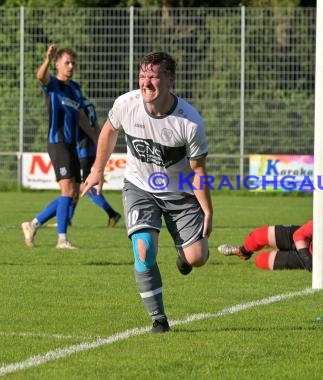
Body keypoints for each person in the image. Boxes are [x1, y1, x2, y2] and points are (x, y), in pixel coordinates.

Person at [81, 52, 213, 334]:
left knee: (197, 257)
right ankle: (159, 319)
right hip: (140, 187)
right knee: (144, 249)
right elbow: (109, 130)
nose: (146, 82)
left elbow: (197, 171)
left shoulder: (189, 122)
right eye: (142, 76)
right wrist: (97, 169)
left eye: (153, 76)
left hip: (179, 193)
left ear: (170, 80)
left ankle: (183, 254)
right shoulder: (126, 104)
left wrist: (208, 211)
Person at [21, 44, 93, 249]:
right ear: (58, 65)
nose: (71, 66)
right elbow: (40, 76)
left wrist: (97, 136)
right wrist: (47, 59)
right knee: (66, 190)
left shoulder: (75, 89)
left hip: (71, 145)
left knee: (74, 194)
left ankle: (32, 224)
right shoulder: (53, 84)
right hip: (57, 142)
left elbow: (81, 117)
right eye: (67, 63)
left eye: (73, 63)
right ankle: (62, 239)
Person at [218, 193, 323, 275]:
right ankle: (242, 251)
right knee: (257, 237)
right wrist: (308, 259)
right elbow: (300, 235)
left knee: (261, 261)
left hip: (315, 259)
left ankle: (275, 254)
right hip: (304, 243)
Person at [69, 98, 122, 227]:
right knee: (77, 185)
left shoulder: (75, 103)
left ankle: (112, 213)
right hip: (91, 149)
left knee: (80, 186)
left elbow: (83, 124)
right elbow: (97, 125)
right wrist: (99, 143)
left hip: (82, 149)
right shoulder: (88, 103)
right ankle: (67, 219)